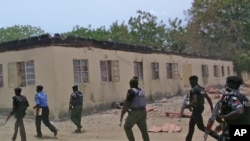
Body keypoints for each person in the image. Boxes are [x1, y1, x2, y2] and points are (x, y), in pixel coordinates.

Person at [184, 75, 219, 141]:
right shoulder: (201, 88)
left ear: (194, 81)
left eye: (191, 81)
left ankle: (219, 137)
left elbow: (195, 101)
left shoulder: (194, 89)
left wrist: (187, 106)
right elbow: (208, 98)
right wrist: (212, 108)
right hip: (200, 108)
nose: (190, 83)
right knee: (191, 126)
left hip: (197, 109)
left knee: (201, 127)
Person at [215, 76, 249, 141]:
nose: (226, 85)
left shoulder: (232, 97)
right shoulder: (244, 98)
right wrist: (222, 125)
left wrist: (222, 118)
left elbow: (239, 112)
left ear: (233, 84)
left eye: (227, 83)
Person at [120, 76, 150, 141]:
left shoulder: (131, 91)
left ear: (130, 84)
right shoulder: (141, 91)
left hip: (134, 113)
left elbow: (127, 103)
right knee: (144, 131)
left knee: (127, 127)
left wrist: (122, 113)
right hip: (143, 112)